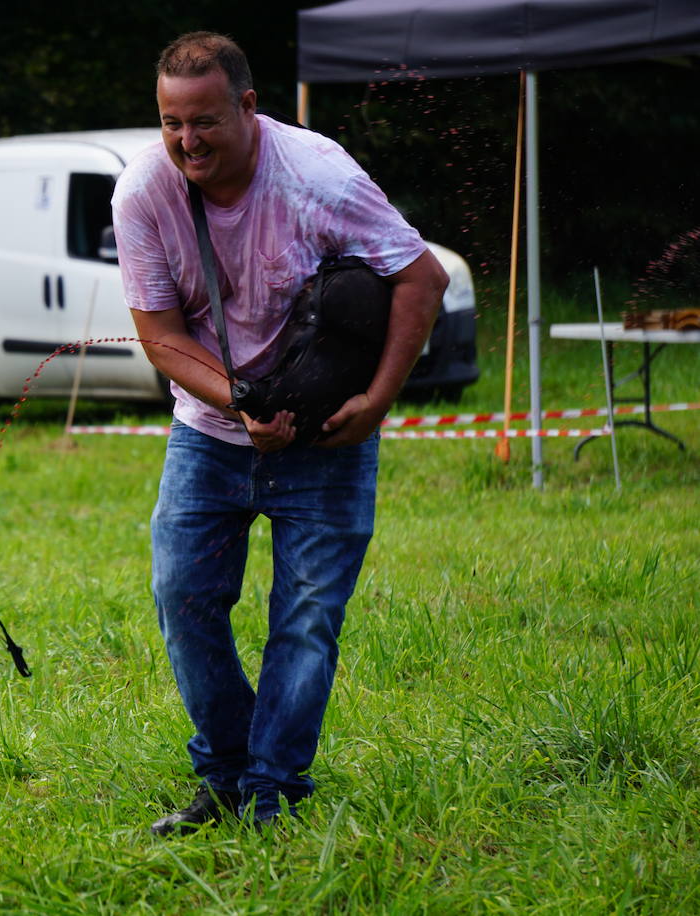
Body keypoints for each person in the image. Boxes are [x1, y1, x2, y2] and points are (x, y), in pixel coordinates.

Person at [111, 33, 447, 832]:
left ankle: (273, 792)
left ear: (248, 107)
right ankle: (225, 775)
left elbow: (420, 276)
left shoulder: (318, 176)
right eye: (170, 123)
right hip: (210, 432)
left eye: (203, 121)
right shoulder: (143, 194)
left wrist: (377, 400)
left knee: (304, 617)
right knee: (182, 596)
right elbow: (159, 334)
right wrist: (239, 404)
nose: (186, 141)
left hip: (330, 436)